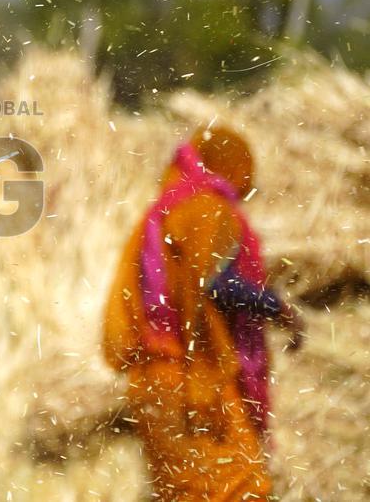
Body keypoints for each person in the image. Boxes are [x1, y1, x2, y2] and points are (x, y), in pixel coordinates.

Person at [102, 126, 304, 501]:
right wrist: (277, 307)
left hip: (150, 384)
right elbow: (216, 284)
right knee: (243, 488)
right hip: (195, 382)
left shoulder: (160, 213)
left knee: (184, 493)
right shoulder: (206, 209)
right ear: (232, 167)